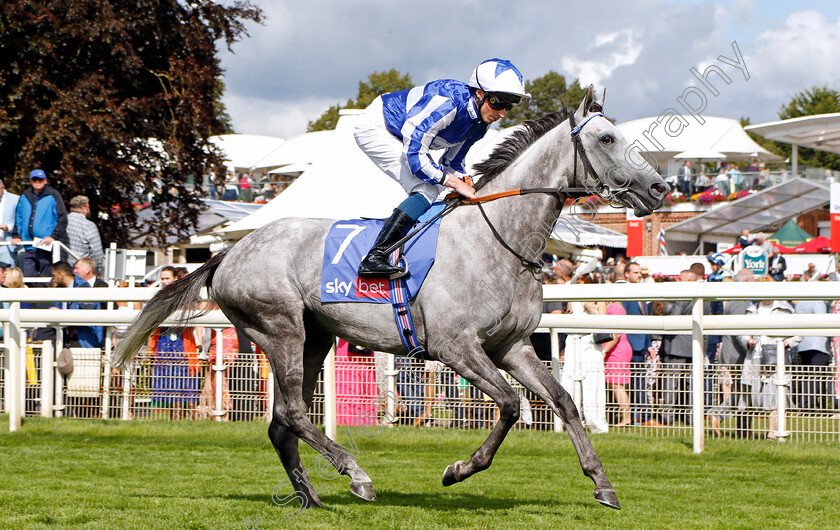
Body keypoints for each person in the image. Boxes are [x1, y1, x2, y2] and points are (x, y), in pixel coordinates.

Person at [353, 58, 529, 278]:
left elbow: (452, 163)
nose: (502, 113)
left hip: (403, 139)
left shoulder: (479, 127)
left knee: (440, 189)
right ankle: (374, 257)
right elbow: (415, 153)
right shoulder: (447, 102)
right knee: (426, 189)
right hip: (378, 126)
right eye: (498, 103)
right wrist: (451, 181)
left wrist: (465, 179)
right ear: (479, 93)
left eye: (508, 106)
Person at [560, 273, 608, 433]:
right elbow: (568, 316)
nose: (579, 284)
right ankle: (571, 422)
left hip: (590, 343)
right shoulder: (571, 295)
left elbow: (605, 322)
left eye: (581, 281)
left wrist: (591, 310)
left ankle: (597, 425)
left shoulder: (598, 298)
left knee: (593, 384)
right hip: (573, 341)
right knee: (568, 382)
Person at [621, 262, 661, 426]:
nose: (639, 275)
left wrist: (648, 344)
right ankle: (645, 417)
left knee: (639, 382)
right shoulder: (625, 294)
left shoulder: (641, 293)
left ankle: (642, 416)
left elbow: (643, 321)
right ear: (626, 274)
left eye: (640, 273)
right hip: (628, 345)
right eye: (636, 272)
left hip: (640, 345)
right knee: (635, 383)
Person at [11, 169, 68, 283]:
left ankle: (46, 301)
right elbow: (19, 217)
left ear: (45, 180)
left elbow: (62, 218)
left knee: (46, 277)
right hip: (28, 244)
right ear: (31, 181)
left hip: (45, 244)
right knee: (28, 277)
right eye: (34, 179)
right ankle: (29, 301)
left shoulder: (53, 195)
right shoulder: (25, 196)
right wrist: (16, 235)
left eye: (40, 179)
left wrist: (53, 236)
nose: (37, 181)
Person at [50, 261, 103, 349]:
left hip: (84, 341)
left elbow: (86, 314)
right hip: (66, 339)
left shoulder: (84, 287)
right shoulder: (60, 289)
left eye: (54, 275)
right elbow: (54, 307)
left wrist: (62, 314)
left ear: (61, 274)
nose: (53, 279)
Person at [794, 294, 831, 411]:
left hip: (803, 344)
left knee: (808, 375)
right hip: (818, 344)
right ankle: (808, 405)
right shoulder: (818, 302)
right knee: (816, 376)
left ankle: (806, 404)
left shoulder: (800, 304)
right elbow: (822, 322)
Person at [602, 301, 633, 427]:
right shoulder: (616, 307)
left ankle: (626, 418)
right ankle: (624, 417)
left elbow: (616, 334)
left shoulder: (614, 308)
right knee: (615, 385)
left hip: (616, 351)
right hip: (616, 350)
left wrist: (604, 350)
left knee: (617, 385)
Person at [65, 195, 104, 273]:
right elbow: (97, 252)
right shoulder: (88, 225)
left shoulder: (61, 222)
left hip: (63, 268)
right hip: (82, 270)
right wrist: (98, 269)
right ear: (84, 209)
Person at [0, 178, 20, 269]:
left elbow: (21, 221)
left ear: (3, 187)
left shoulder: (15, 199)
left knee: (8, 275)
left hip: (7, 243)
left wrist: (9, 227)